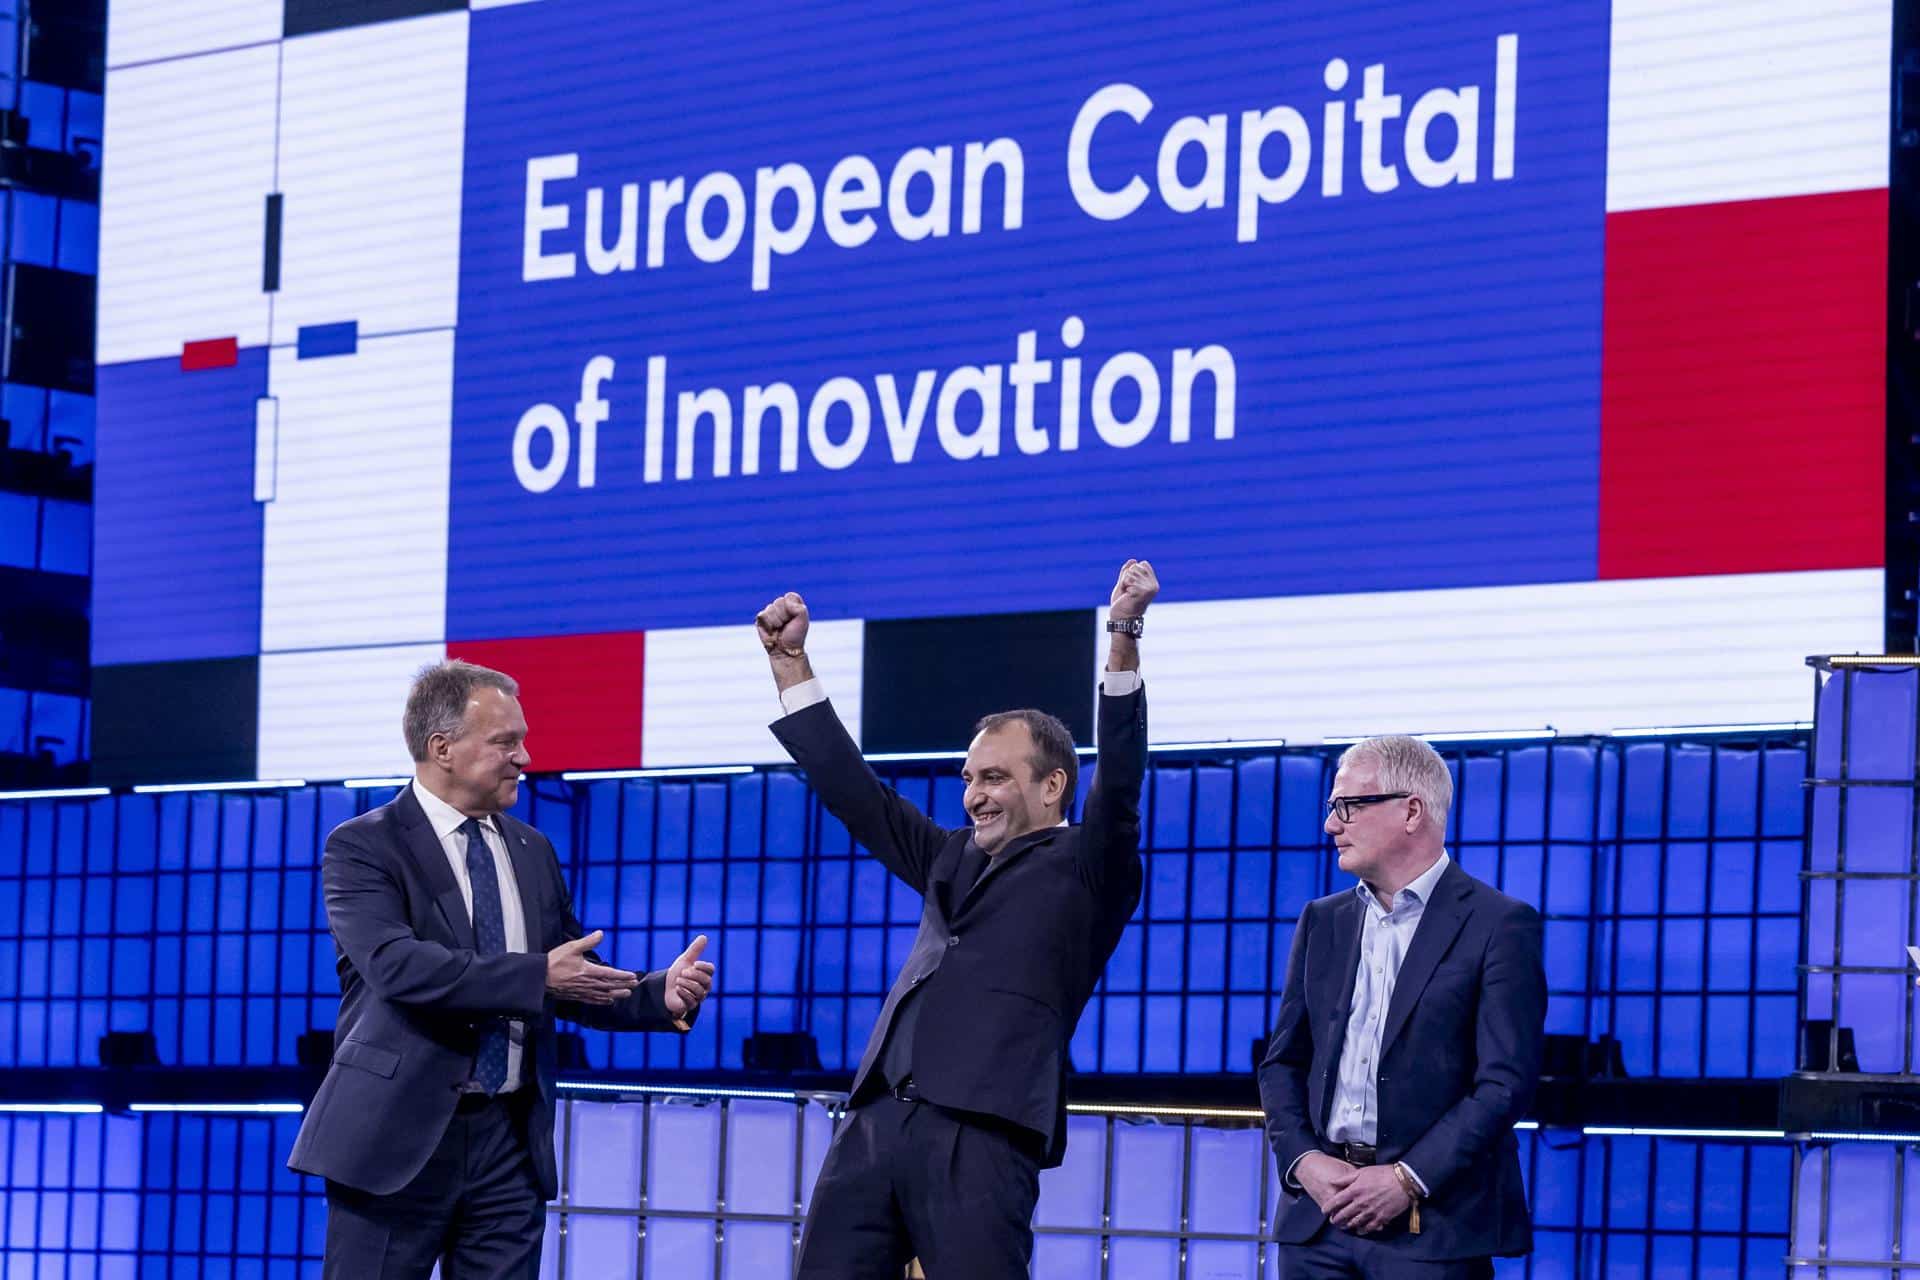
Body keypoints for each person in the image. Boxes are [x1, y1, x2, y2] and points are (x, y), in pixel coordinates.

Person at [755, 558, 1159, 1279]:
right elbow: (858, 797)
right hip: (875, 1121)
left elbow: (1121, 783)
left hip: (983, 1133)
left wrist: (1123, 636)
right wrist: (792, 666)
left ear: (1053, 785)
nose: (974, 795)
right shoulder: (950, 856)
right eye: (969, 778)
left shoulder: (1090, 867)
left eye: (995, 777)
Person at [288, 659, 715, 1279]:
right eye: (505, 742)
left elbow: (569, 974)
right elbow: (397, 966)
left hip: (510, 1144)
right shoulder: (363, 846)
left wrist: (657, 996)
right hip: (394, 1140)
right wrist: (536, 975)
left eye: (523, 739)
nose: (525, 756)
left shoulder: (531, 848)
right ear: (442, 749)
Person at [1258, 735, 1545, 1279]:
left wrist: (1405, 1179)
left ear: (1411, 810)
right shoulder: (1323, 920)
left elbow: (1504, 1083)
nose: (1331, 825)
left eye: (1347, 806)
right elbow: (1283, 1063)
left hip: (1432, 1231)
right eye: (1331, 808)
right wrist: (1304, 1162)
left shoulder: (1499, 924)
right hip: (1318, 1223)